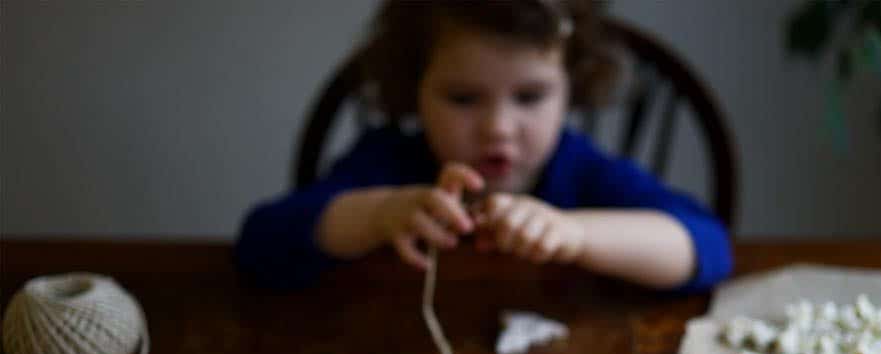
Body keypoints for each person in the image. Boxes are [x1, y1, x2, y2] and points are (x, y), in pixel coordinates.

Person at [236, 0, 733, 292]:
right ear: (414, 89)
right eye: (463, 97)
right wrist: (378, 215)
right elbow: (262, 242)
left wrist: (573, 234)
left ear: (571, 88)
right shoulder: (388, 163)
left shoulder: (583, 173)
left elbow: (707, 247)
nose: (499, 127)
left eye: (530, 96)